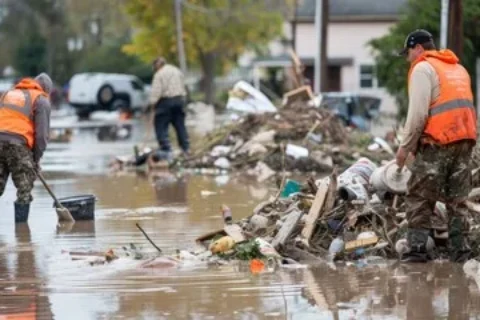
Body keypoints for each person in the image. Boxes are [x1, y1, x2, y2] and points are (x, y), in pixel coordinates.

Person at [396, 29, 477, 262]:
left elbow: (418, 115)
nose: (408, 58)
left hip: (438, 142)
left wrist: (405, 148)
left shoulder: (423, 68)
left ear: (418, 48)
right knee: (457, 200)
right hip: (465, 141)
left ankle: (417, 251)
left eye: (409, 52)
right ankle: (461, 252)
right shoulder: (458, 68)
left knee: (420, 196)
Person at [0, 73, 52, 223]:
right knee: (24, 188)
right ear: (46, 89)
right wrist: (35, 160)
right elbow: (41, 136)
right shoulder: (41, 100)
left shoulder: (8, 94)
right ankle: (22, 234)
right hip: (18, 143)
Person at [149, 57, 190, 158]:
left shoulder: (159, 74)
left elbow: (156, 92)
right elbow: (184, 85)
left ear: (157, 65)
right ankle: (185, 148)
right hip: (179, 100)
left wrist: (152, 104)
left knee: (160, 125)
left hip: (165, 102)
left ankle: (165, 149)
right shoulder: (176, 71)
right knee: (180, 125)